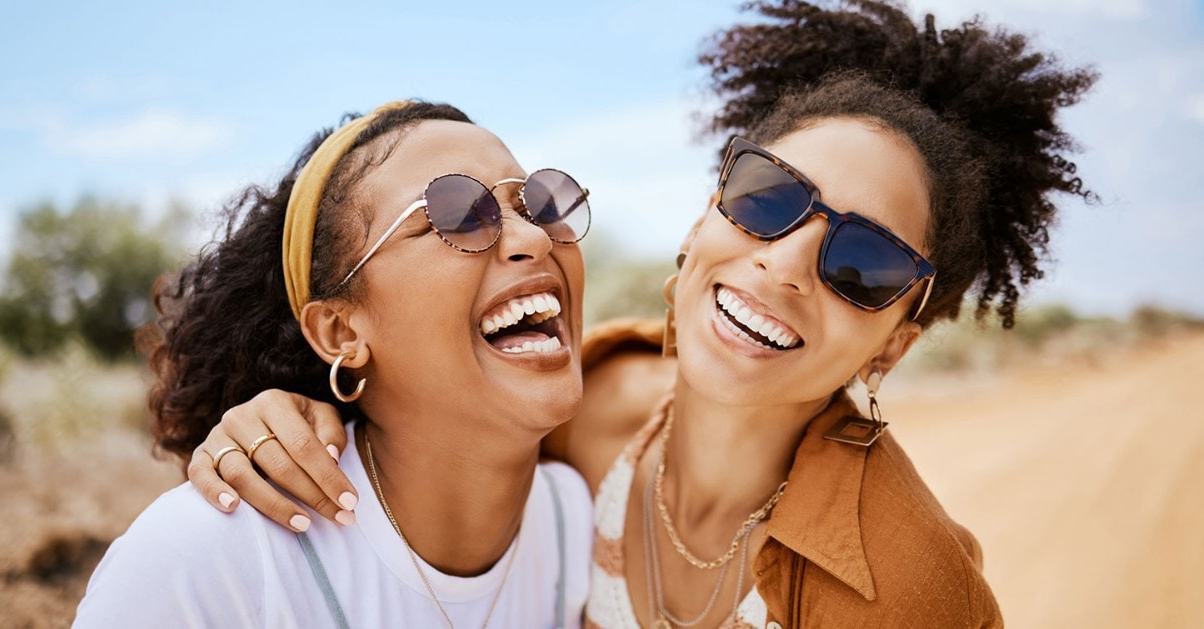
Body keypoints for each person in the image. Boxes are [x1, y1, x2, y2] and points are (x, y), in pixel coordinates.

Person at [186, 1, 1096, 626]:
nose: (784, 264)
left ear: (894, 341)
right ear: (705, 218)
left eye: (864, 262)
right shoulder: (577, 417)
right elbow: (423, 411)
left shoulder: (908, 586)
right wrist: (294, 407)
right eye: (768, 198)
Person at [74, 100, 596, 627]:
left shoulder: (574, 517)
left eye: (538, 206)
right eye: (457, 214)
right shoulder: (209, 559)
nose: (534, 237)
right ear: (340, 332)